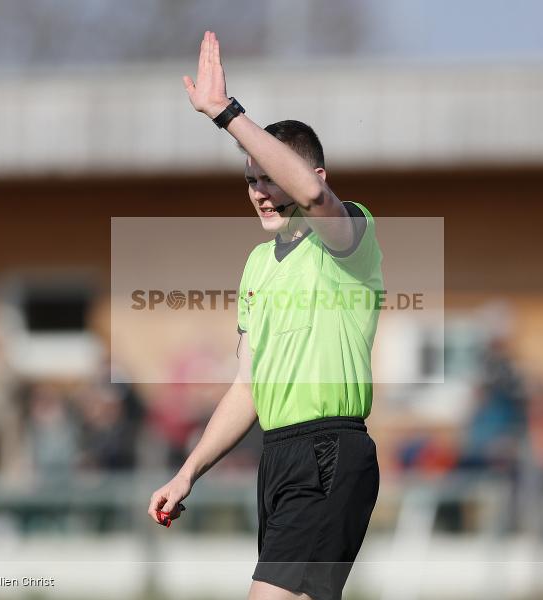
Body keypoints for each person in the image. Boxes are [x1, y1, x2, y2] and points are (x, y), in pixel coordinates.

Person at [148, 31, 383, 600]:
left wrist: (227, 114)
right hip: (278, 458)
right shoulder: (258, 265)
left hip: (330, 449)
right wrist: (189, 471)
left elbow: (314, 200)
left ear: (313, 179)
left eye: (269, 178)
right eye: (250, 180)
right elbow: (248, 387)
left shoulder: (347, 236)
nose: (258, 192)